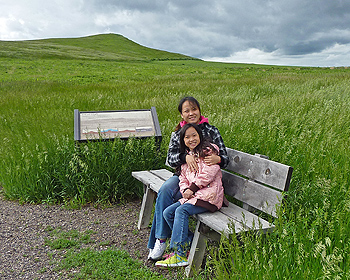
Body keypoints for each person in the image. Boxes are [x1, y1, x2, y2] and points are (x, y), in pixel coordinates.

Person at [147, 96, 229, 261]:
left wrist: (218, 159)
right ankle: (161, 240)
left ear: (199, 111)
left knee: (173, 206)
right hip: (182, 176)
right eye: (187, 111)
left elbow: (225, 158)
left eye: (194, 109)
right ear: (181, 115)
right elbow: (171, 159)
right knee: (164, 191)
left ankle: (178, 243)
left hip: (205, 183)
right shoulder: (178, 133)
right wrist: (186, 157)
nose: (191, 113)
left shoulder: (211, 130)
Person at [155, 123, 225, 267]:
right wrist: (184, 189)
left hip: (210, 196)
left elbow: (208, 174)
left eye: (194, 135)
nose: (191, 139)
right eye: (187, 137)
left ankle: (179, 253)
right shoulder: (188, 156)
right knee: (168, 212)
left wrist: (191, 189)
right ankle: (189, 243)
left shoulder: (207, 152)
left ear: (200, 136)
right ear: (183, 141)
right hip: (195, 196)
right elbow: (183, 177)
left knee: (181, 211)